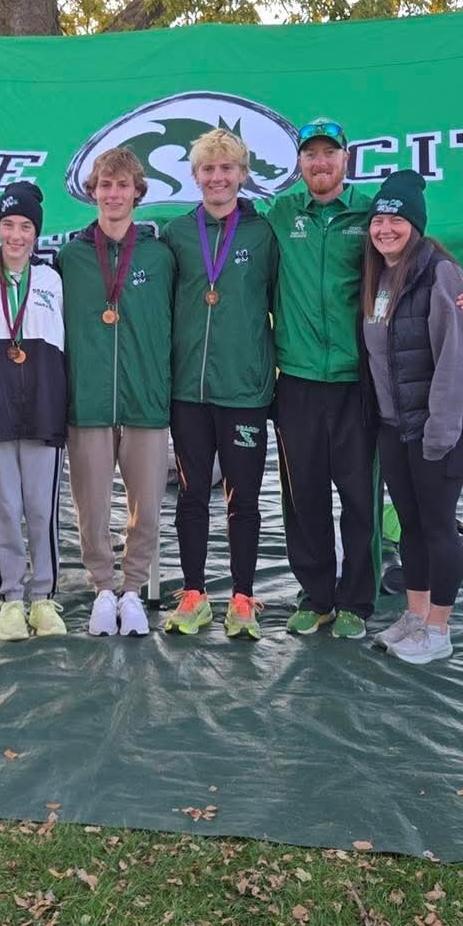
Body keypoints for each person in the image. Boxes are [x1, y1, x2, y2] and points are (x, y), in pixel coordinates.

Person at [265, 117, 463, 642]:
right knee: (303, 497)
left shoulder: (371, 213)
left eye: (329, 153)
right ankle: (315, 595)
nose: (319, 162)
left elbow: (419, 256)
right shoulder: (279, 214)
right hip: (294, 379)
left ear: (346, 160)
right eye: (310, 154)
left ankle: (356, 601)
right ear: (299, 164)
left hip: (358, 383)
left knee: (361, 496)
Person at [360, 170, 463, 663]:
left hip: (439, 426)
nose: (385, 228)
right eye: (378, 219)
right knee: (410, 525)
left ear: (415, 225)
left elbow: (457, 359)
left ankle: (439, 629)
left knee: (437, 524)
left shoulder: (441, 273)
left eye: (396, 219)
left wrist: (440, 430)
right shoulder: (380, 276)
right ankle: (414, 615)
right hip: (396, 426)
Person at [161, 129, 277, 640]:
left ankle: (244, 596)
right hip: (188, 391)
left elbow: (283, 301)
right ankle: (193, 593)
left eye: (227, 168)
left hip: (244, 391)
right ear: (195, 175)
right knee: (191, 496)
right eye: (208, 169)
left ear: (242, 174)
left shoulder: (262, 233)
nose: (217, 177)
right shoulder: (177, 233)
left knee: (244, 499)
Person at [57, 147, 175, 636]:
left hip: (146, 400)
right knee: (92, 506)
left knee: (146, 505)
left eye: (122, 185)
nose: (113, 193)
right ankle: (103, 588)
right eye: (105, 185)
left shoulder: (159, 256)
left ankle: (133, 591)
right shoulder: (70, 257)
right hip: (88, 402)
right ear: (93, 192)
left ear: (138, 192)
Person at [0, 182, 67, 641]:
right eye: (8, 224)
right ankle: (10, 598)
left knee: (41, 508)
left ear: (37, 232)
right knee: (4, 507)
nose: (17, 235)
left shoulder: (51, 280)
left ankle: (44, 597)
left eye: (26, 226)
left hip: (43, 407)